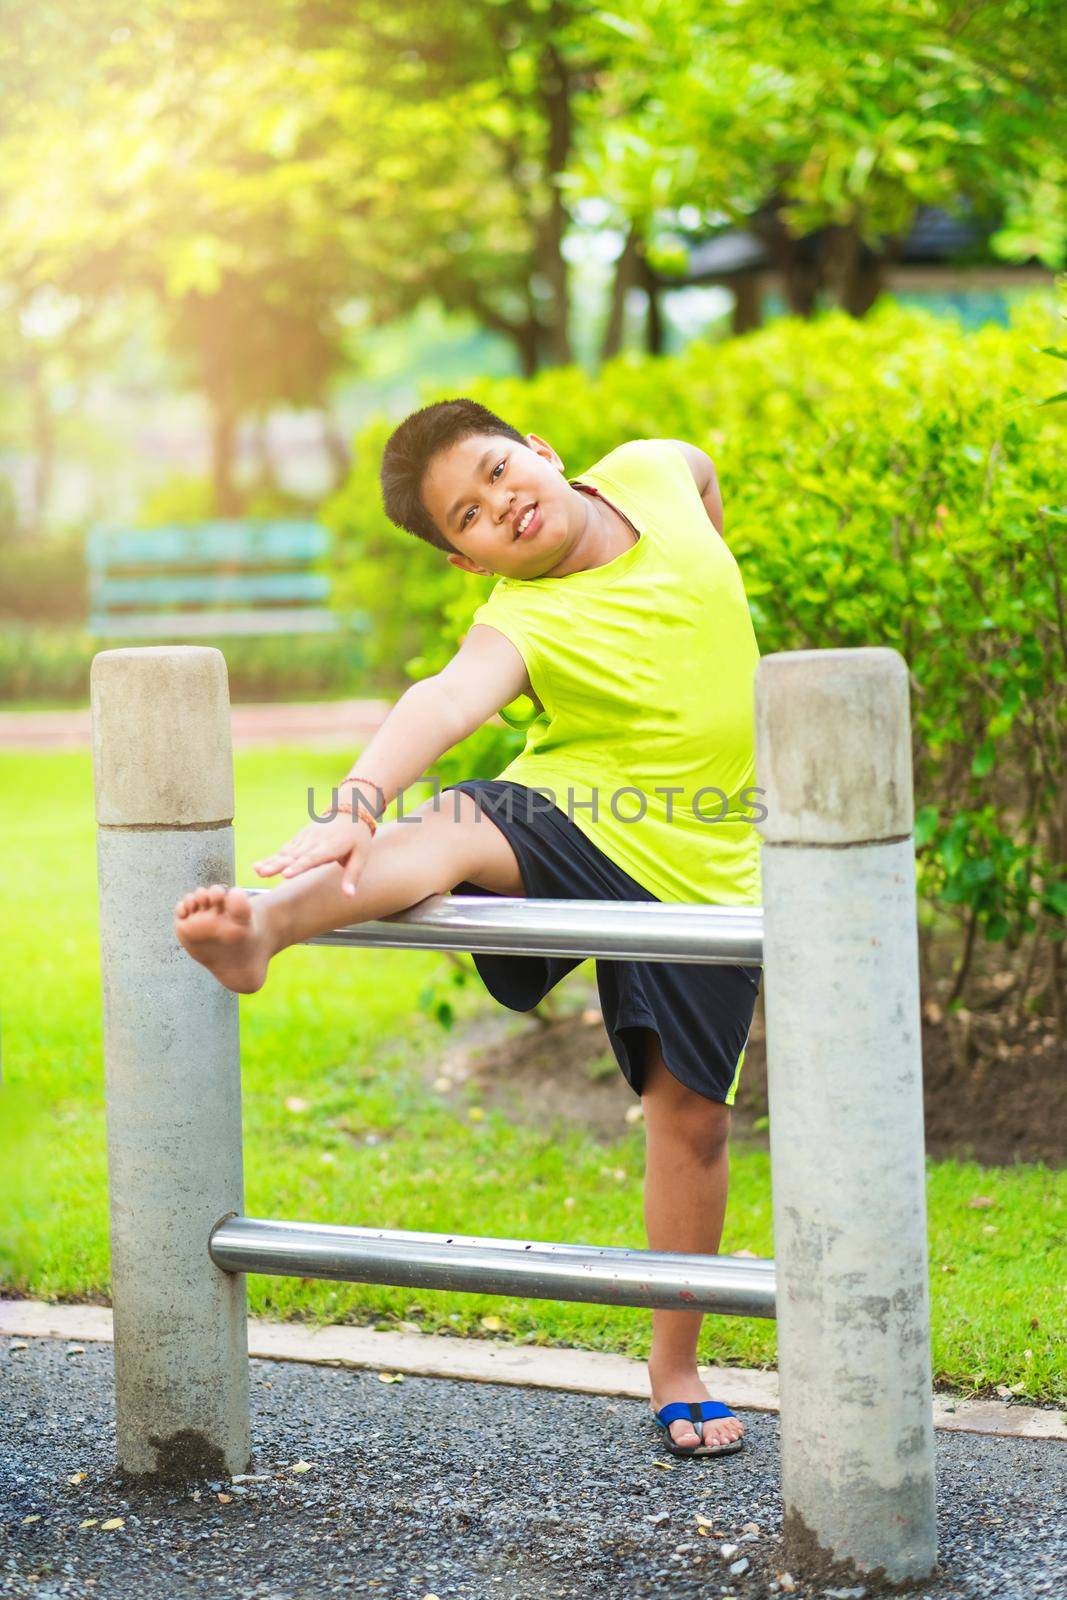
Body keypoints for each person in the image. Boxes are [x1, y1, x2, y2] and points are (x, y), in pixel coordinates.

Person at [174, 398, 763, 1460]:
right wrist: (355, 797)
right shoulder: (517, 621)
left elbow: (702, 472)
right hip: (582, 813)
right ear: (465, 560)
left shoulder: (654, 471)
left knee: (691, 1122)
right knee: (453, 820)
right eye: (472, 516)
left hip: (707, 864)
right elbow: (442, 701)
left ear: (541, 447)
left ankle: (673, 1365)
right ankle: (269, 926)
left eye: (499, 472)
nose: (502, 505)